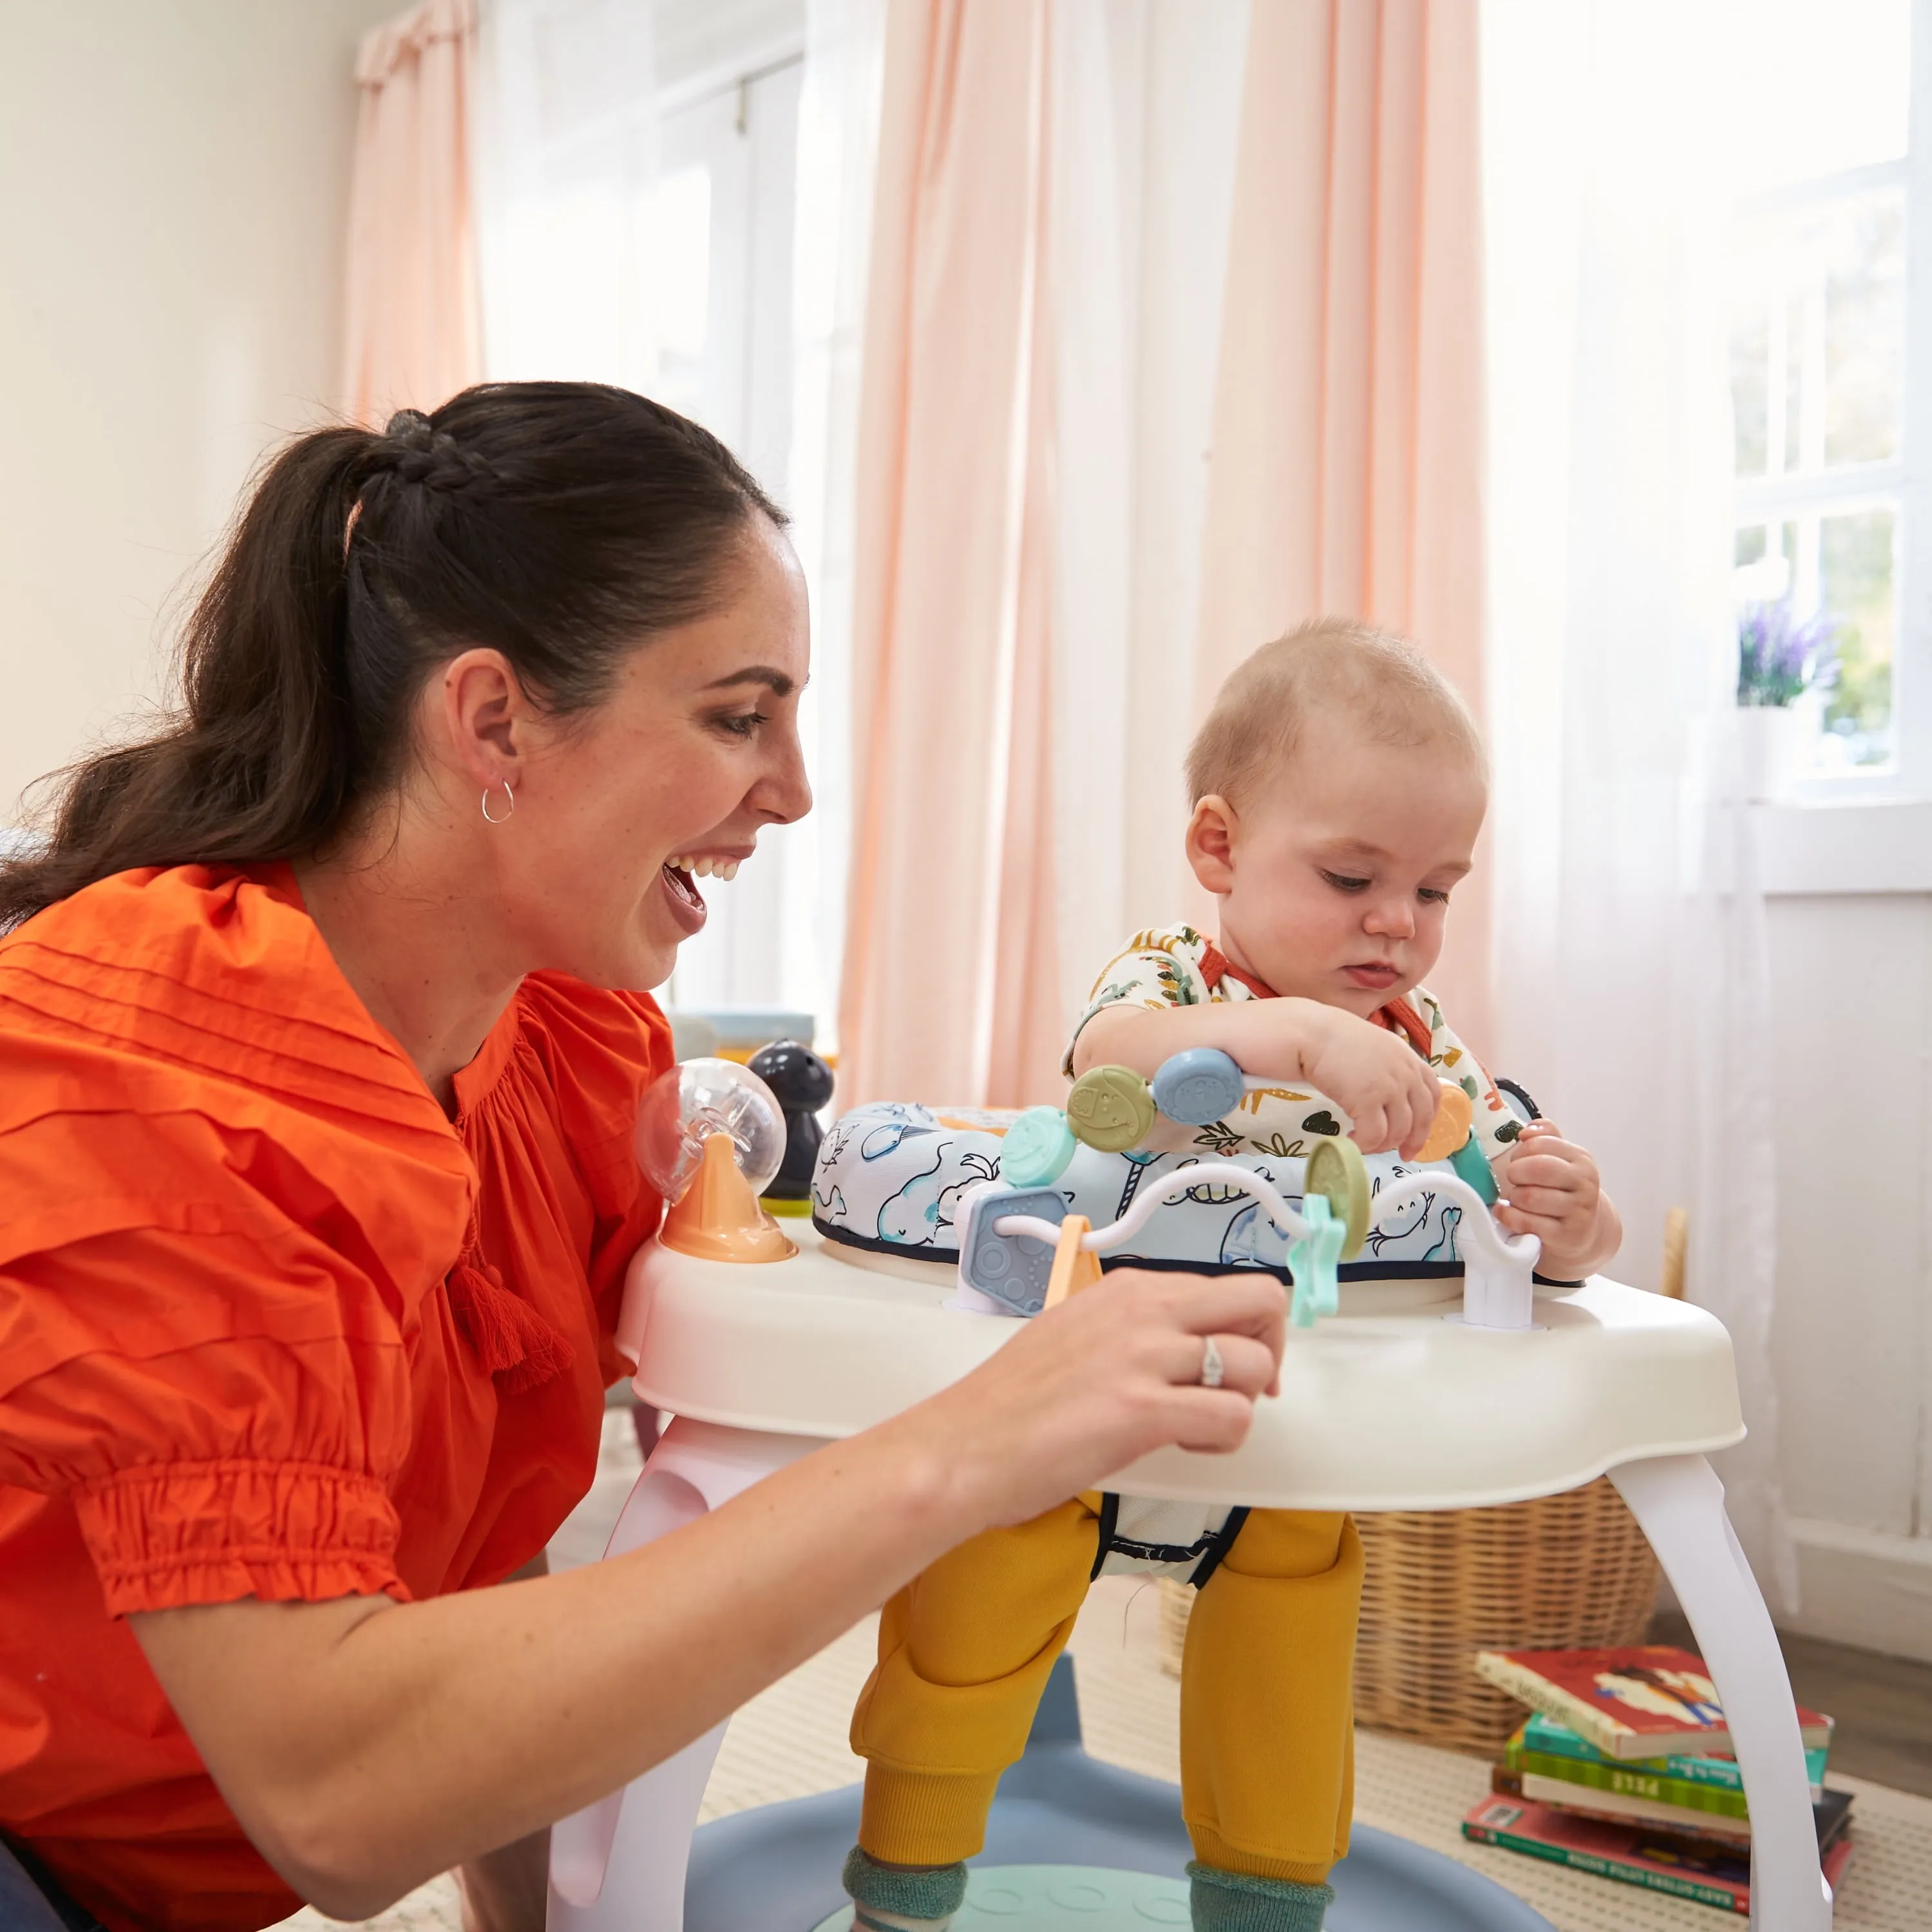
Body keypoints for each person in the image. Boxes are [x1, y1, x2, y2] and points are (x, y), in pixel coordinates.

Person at [0, 383, 1290, 1932]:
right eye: (739, 716)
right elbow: (333, 1793)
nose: (796, 791)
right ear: (492, 722)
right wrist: (966, 1448)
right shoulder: (151, 1080)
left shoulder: (562, 1038)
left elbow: (481, 1573)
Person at [840, 620, 1621, 1932]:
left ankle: (1262, 1906)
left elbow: (1494, 1201)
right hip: (1068, 1422)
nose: (1397, 923)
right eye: (1351, 874)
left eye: (1434, 891)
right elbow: (1113, 1048)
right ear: (1220, 848)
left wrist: (1572, 1222)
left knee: (1289, 1684)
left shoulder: (1421, 1045)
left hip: (1287, 1440)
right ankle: (905, 1889)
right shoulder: (1177, 979)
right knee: (970, 1625)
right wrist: (1297, 1035)